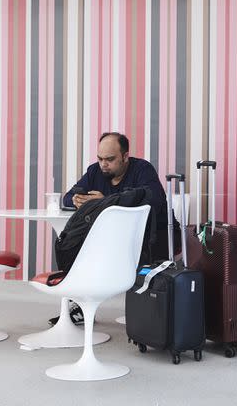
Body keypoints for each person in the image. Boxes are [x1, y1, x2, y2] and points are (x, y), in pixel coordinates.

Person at [53, 132, 167, 326]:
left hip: (147, 239)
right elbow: (67, 197)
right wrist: (76, 199)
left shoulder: (142, 169)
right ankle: (82, 306)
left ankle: (143, 310)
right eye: (100, 159)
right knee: (74, 245)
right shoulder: (95, 172)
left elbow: (155, 198)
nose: (103, 164)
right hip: (109, 241)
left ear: (125, 156)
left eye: (110, 159)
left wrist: (104, 201)